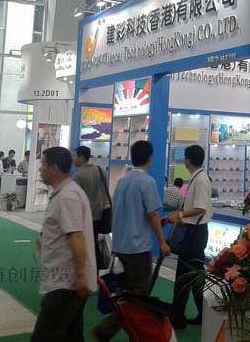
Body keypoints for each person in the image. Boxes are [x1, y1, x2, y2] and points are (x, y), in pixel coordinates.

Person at [94, 141, 170, 340]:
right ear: (150, 158)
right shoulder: (147, 182)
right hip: (138, 250)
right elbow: (152, 214)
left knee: (125, 295)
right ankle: (108, 329)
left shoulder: (122, 181)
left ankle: (114, 330)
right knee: (138, 296)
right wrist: (162, 242)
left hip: (120, 247)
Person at [31, 147, 96, 342]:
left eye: (43, 164)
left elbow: (76, 237)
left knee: (46, 336)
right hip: (67, 281)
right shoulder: (65, 193)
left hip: (66, 284)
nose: (40, 169)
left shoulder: (68, 196)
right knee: (71, 335)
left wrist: (80, 276)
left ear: (55, 168)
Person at [163, 144, 212, 330]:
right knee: (194, 276)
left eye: (185, 157)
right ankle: (201, 315)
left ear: (188, 160)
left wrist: (181, 215)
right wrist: (175, 217)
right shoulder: (196, 178)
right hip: (194, 232)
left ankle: (178, 317)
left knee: (185, 276)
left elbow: (200, 208)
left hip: (195, 233)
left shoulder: (200, 180)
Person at [73, 146, 109, 273]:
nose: (73, 158)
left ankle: (90, 272)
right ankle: (96, 272)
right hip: (101, 214)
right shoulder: (101, 170)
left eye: (75, 156)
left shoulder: (78, 176)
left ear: (82, 157)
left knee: (86, 246)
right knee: (94, 243)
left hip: (85, 217)